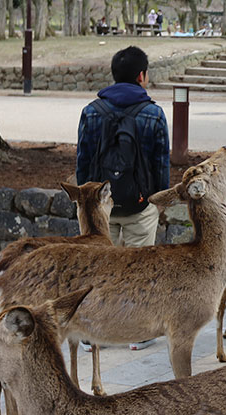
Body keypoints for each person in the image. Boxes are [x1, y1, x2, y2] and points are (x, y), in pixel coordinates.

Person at [76, 46, 169, 350]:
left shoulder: (91, 111)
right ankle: (137, 333)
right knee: (140, 270)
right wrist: (158, 202)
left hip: (101, 209)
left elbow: (83, 162)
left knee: (99, 269)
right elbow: (160, 165)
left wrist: (87, 203)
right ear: (142, 76)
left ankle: (93, 334)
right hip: (141, 206)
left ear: (114, 76)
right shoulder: (153, 114)